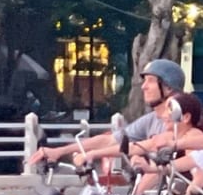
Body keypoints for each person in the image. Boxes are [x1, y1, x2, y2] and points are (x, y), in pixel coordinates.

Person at [29, 59, 184, 168]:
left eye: (150, 81)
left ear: (168, 87)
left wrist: (92, 155)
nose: (143, 87)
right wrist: (59, 151)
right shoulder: (151, 120)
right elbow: (110, 140)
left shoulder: (181, 117)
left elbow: (146, 146)